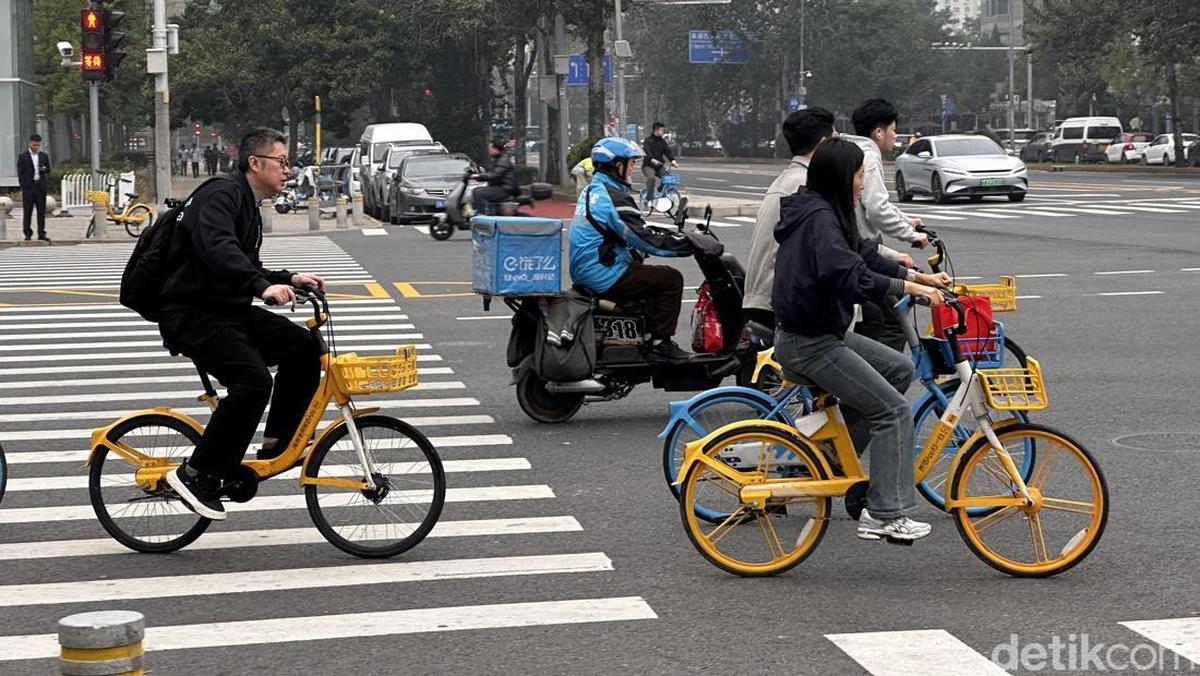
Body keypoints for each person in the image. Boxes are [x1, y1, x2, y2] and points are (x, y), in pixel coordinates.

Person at [772, 137, 950, 542]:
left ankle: (834, 457)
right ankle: (884, 513)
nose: (861, 183)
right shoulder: (819, 220)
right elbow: (850, 275)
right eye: (858, 175)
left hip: (822, 334)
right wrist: (913, 290)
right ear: (839, 176)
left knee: (899, 368)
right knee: (892, 411)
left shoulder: (826, 212)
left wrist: (918, 277)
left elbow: (862, 254)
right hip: (810, 341)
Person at [160, 128, 326, 520]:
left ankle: (277, 443)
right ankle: (196, 473)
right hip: (192, 313)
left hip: (224, 308)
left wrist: (287, 279)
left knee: (302, 347)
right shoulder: (221, 195)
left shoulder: (247, 203)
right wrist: (260, 287)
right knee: (253, 382)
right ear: (256, 162)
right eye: (282, 162)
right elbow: (219, 253)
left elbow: (244, 264)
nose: (288, 171)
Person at [569, 137, 721, 363]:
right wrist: (689, 244)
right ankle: (660, 344)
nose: (633, 169)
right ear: (617, 165)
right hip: (602, 272)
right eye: (630, 163)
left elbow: (627, 229)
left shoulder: (594, 189)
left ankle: (641, 335)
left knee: (642, 269)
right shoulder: (614, 197)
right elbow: (645, 240)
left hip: (589, 267)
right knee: (670, 279)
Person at [843, 98, 928, 352]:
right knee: (892, 319)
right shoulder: (869, 156)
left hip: (861, 246)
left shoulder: (856, 151)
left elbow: (879, 203)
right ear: (878, 132)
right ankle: (880, 383)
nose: (895, 135)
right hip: (863, 248)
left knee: (879, 313)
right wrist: (911, 236)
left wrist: (907, 221)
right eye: (893, 129)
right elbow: (877, 208)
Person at [742, 107, 836, 329]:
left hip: (762, 295)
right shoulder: (808, 185)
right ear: (823, 145)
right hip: (783, 302)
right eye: (835, 142)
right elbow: (834, 249)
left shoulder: (787, 179)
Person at [16, 134, 51, 243]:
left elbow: (49, 170)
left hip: (40, 186)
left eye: (38, 145)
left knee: (41, 212)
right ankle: (27, 233)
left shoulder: (43, 156)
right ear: (30, 143)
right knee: (28, 212)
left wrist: (44, 169)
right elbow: (20, 173)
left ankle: (41, 233)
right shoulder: (23, 156)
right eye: (34, 145)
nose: (36, 147)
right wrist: (23, 186)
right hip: (29, 188)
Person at [471, 140, 518, 213]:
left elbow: (495, 175)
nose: (489, 150)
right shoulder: (498, 159)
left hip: (504, 189)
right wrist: (480, 177)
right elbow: (492, 174)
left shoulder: (503, 160)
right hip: (501, 187)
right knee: (477, 190)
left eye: (490, 148)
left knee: (478, 193)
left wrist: (479, 176)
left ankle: (484, 215)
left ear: (496, 149)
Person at [640, 122, 677, 207]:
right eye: (661, 130)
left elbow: (668, 151)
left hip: (659, 166)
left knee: (668, 177)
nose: (663, 132)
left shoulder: (662, 141)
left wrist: (672, 160)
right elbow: (647, 151)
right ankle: (648, 199)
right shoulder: (648, 141)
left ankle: (660, 192)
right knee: (651, 178)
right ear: (656, 130)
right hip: (648, 165)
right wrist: (652, 159)